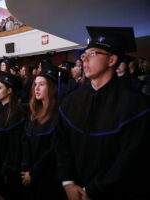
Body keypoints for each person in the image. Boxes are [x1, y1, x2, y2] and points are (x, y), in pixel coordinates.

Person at [54, 26, 150, 200]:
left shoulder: (136, 105)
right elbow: (61, 143)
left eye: (93, 54)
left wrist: (92, 190)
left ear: (112, 60)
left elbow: (128, 161)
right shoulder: (72, 100)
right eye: (84, 55)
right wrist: (68, 183)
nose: (84, 60)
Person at [21, 68, 66, 200]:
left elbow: (53, 150)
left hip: (47, 176)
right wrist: (26, 168)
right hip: (30, 171)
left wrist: (33, 173)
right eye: (35, 84)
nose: (36, 88)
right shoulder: (35, 112)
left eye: (42, 84)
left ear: (51, 88)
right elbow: (25, 141)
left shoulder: (59, 114)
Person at [0, 72, 25, 199]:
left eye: (0, 87)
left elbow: (15, 146)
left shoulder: (16, 113)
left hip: (6, 166)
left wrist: (9, 168)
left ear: (9, 90)